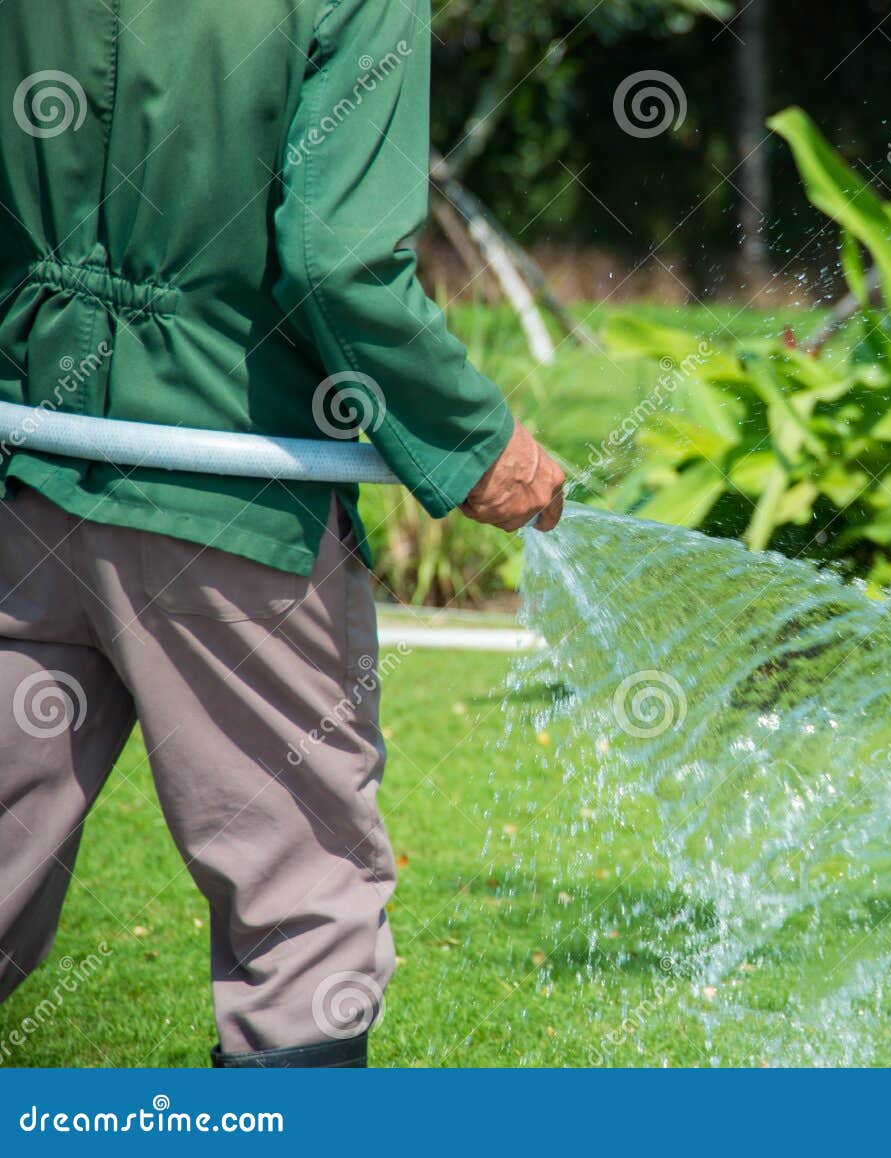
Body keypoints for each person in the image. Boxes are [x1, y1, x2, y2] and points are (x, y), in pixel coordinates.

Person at [0, 0, 564, 1067]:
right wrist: (473, 439)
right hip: (235, 506)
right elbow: (336, 261)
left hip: (25, 469)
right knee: (304, 929)